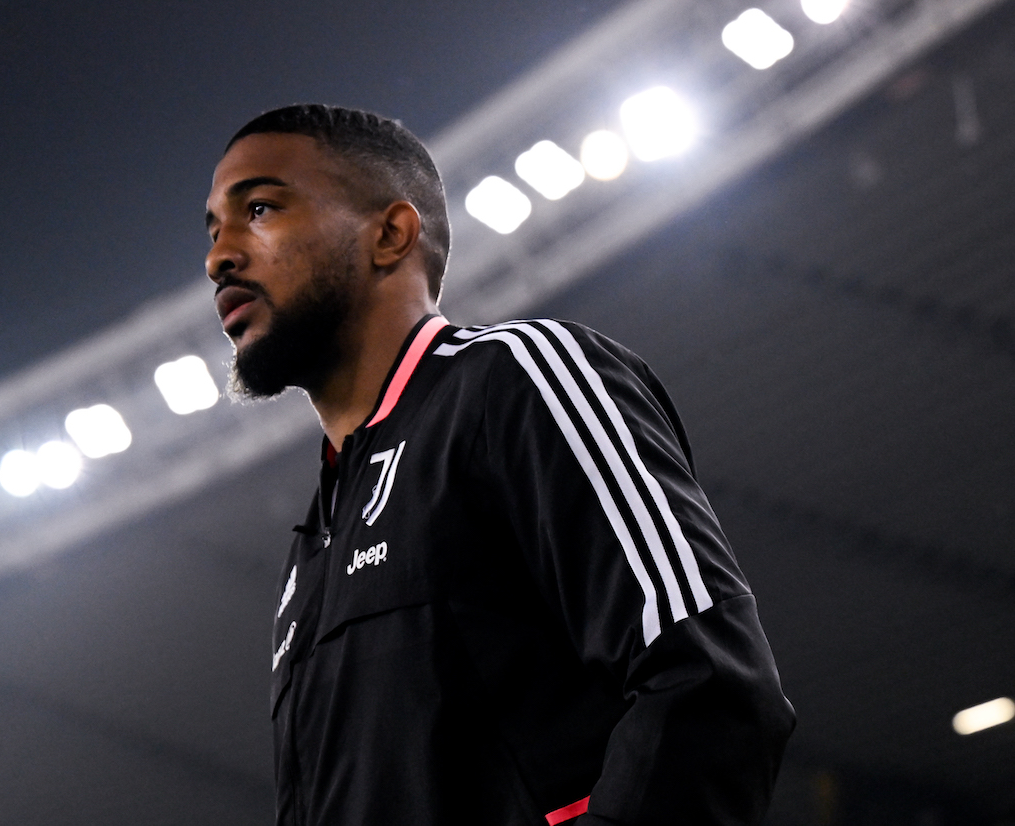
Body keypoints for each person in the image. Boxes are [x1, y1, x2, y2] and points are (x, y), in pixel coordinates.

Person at [204, 103, 795, 826]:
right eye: (214, 230)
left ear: (390, 235)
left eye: (259, 209)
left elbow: (710, 681)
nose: (219, 258)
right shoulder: (308, 554)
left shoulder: (515, 378)